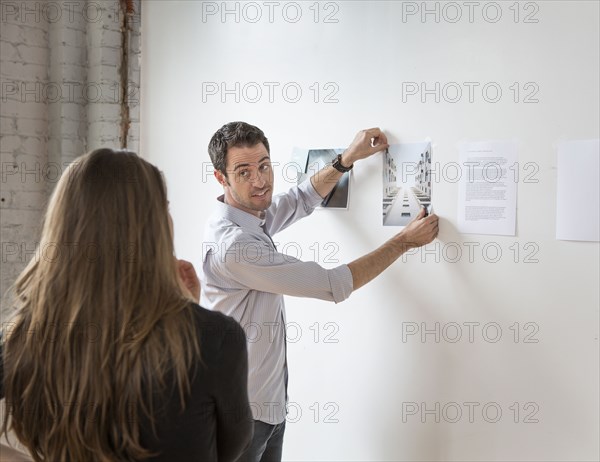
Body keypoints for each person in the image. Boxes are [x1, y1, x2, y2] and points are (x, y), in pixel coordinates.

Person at [201, 122, 439, 461]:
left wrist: (346, 159)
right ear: (221, 178)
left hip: (268, 406)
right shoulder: (235, 245)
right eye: (244, 172)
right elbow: (332, 285)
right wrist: (403, 242)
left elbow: (300, 199)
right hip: (240, 414)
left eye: (264, 166)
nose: (260, 181)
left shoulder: (250, 215)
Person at [0, 149, 253, 461]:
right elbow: (230, 448)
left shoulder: (28, 332)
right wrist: (190, 315)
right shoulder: (217, 338)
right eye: (166, 208)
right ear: (153, 227)